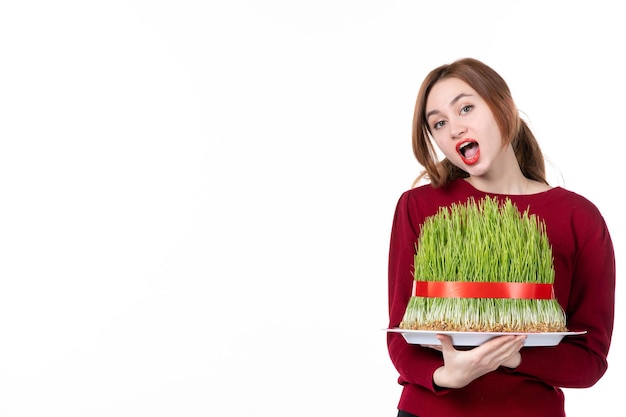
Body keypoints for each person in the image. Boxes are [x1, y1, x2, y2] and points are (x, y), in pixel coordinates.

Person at [386, 58, 615, 417]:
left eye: (466, 108)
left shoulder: (578, 218)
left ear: (503, 105)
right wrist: (446, 375)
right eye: (440, 123)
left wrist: (514, 356)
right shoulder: (419, 206)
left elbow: (591, 359)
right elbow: (400, 334)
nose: (455, 128)